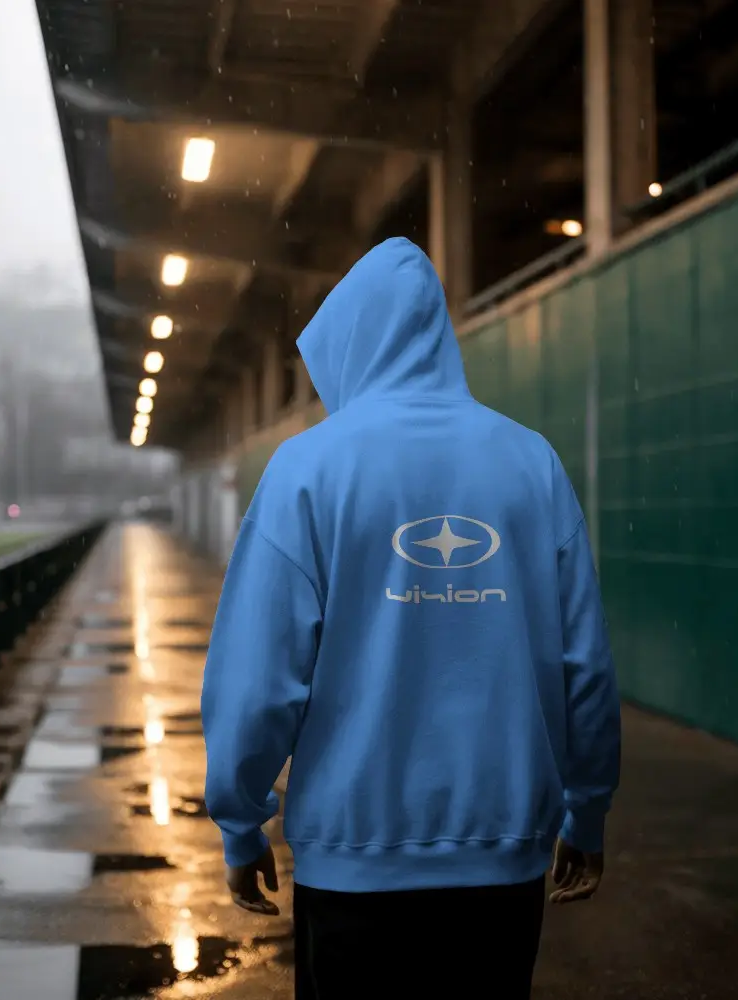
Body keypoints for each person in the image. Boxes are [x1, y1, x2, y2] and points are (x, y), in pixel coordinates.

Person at [201, 238, 621, 999]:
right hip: (503, 868)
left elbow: (257, 677)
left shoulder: (307, 470)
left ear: (350, 342)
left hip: (352, 866)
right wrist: (585, 812)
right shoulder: (531, 463)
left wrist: (240, 819)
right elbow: (583, 665)